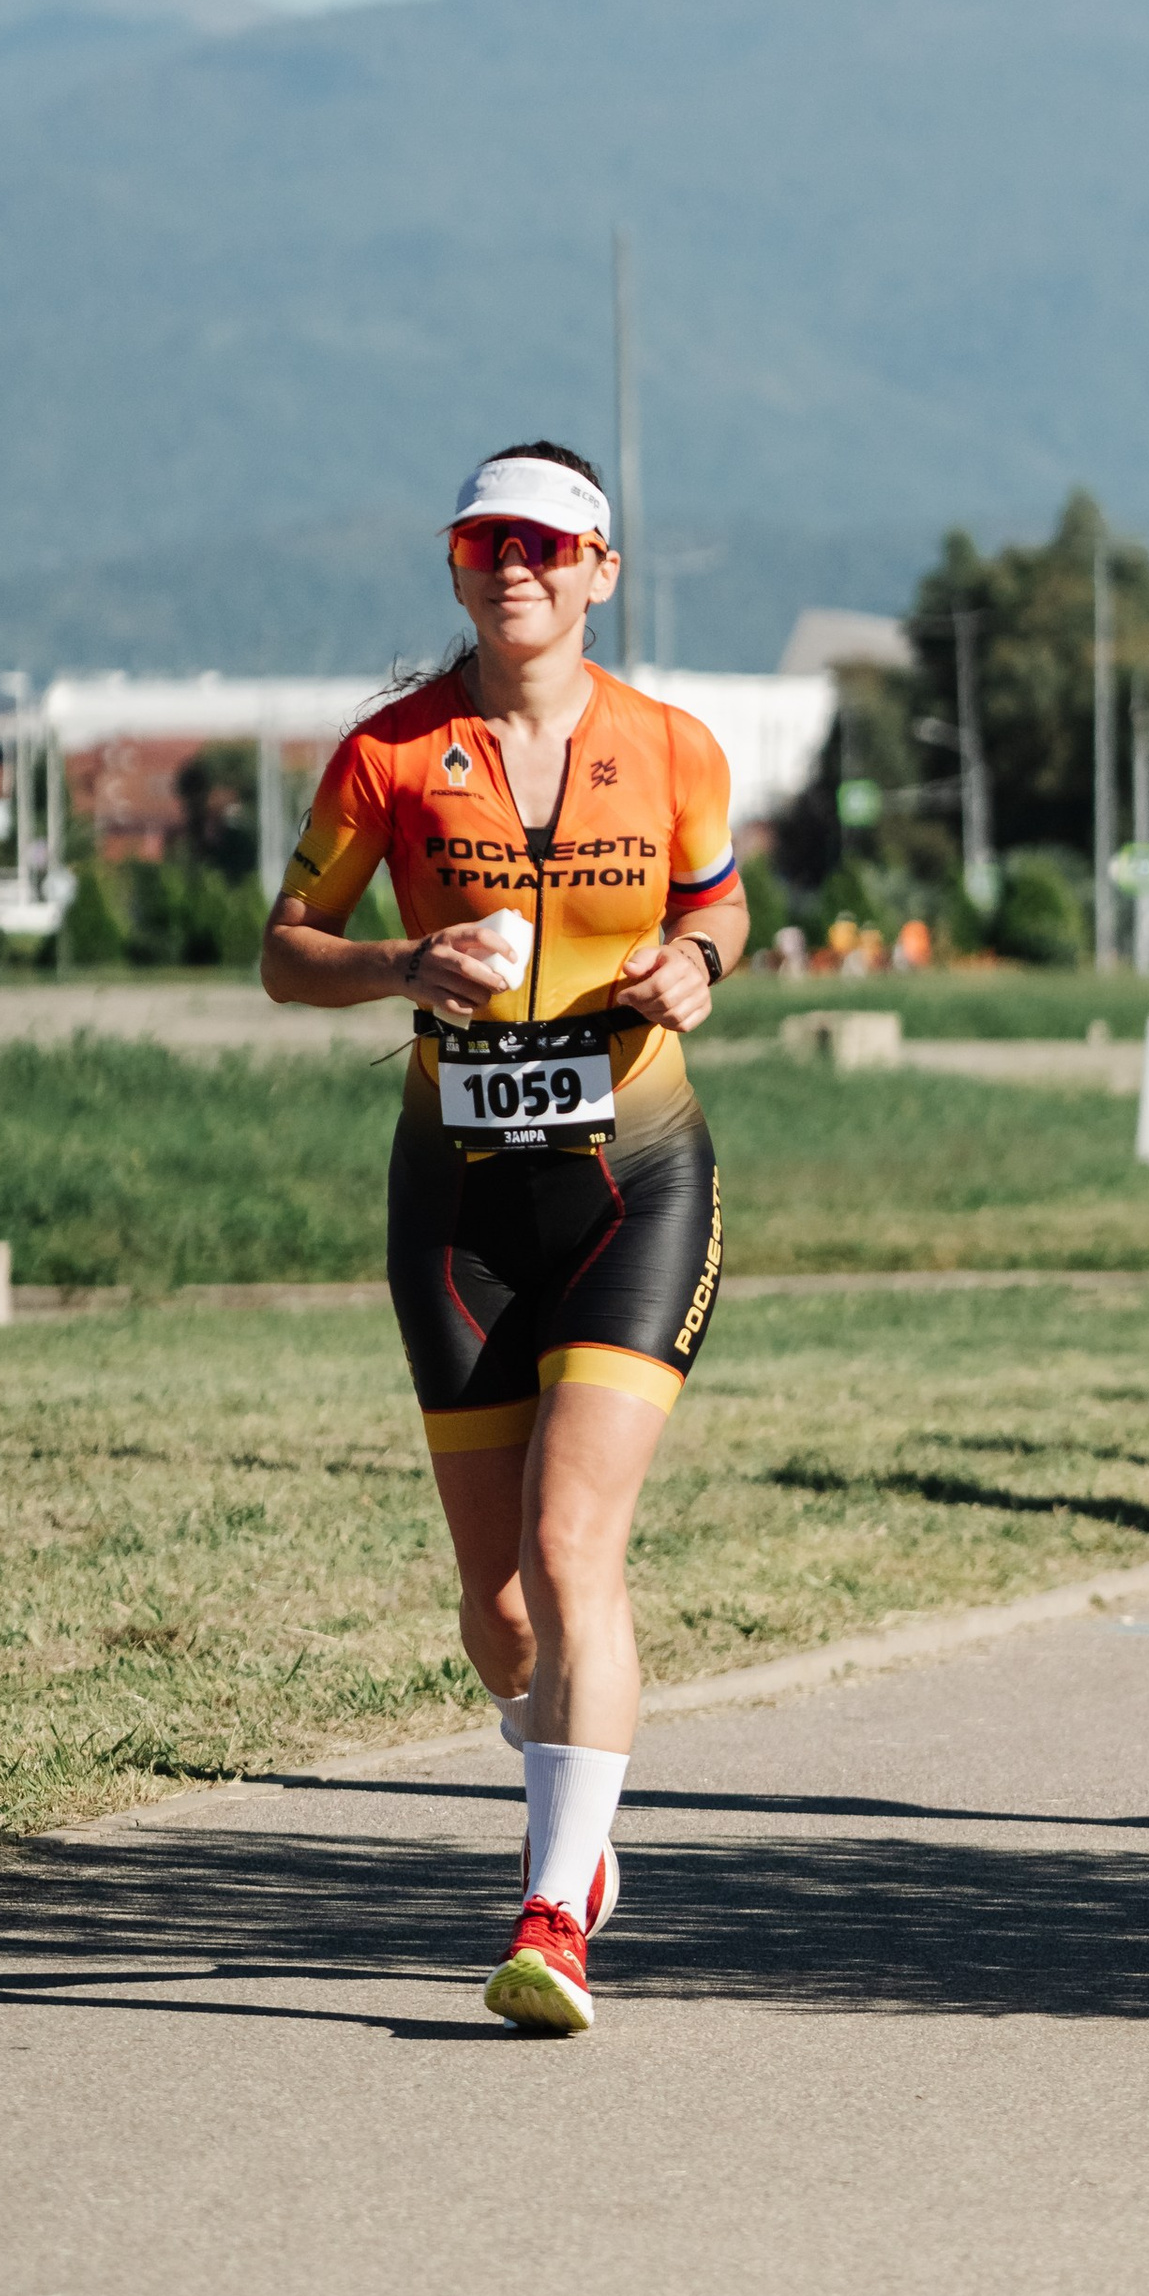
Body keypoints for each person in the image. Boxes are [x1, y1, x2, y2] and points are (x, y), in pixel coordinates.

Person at [262, 442, 746, 2030]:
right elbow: (286, 955)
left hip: (636, 1183)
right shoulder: (390, 757)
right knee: (502, 1609)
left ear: (605, 569)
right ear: (455, 568)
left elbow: (723, 900)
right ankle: (578, 1813)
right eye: (487, 544)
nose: (514, 568)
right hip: (459, 1204)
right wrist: (403, 968)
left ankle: (554, 1912)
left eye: (547, 545)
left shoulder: (673, 748)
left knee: (570, 1545)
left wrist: (697, 962)